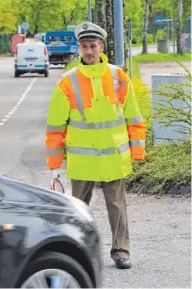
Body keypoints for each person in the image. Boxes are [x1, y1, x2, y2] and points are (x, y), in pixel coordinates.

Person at [45, 21, 146, 270]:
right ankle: (75, 251)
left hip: (114, 157)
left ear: (102, 46)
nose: (89, 51)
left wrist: (138, 150)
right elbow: (56, 126)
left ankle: (121, 252)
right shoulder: (67, 82)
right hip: (83, 161)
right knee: (78, 211)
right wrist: (55, 163)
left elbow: (133, 116)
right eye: (84, 46)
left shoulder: (118, 76)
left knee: (117, 207)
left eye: (93, 45)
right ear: (79, 48)